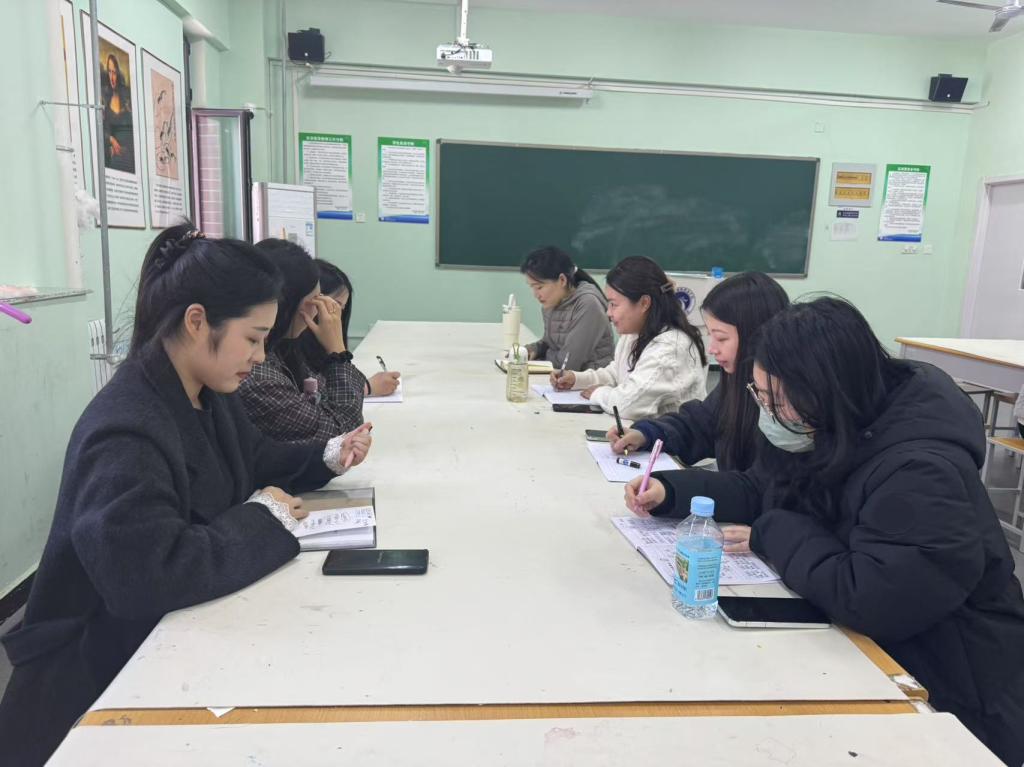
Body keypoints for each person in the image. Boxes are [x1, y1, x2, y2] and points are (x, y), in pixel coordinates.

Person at [0, 225, 373, 766]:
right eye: (253, 338)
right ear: (198, 322)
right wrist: (263, 518)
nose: (261, 355)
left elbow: (255, 458)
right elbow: (147, 575)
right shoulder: (126, 430)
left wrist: (327, 455)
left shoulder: (202, 390)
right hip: (96, 684)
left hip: (165, 638)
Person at [626, 297, 1024, 766]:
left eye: (776, 399)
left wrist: (771, 532)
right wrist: (672, 491)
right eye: (760, 395)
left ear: (825, 391)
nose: (767, 411)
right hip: (872, 654)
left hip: (954, 692)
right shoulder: (825, 425)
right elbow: (762, 488)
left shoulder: (922, 470)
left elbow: (873, 599)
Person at [608, 272, 789, 470]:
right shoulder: (737, 380)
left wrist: (674, 484)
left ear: (754, 335)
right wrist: (646, 434)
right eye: (711, 336)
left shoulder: (784, 400)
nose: (712, 349)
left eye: (721, 338)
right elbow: (700, 425)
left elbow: (757, 482)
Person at [238, 240, 368, 443]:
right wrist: (338, 352)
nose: (321, 313)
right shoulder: (258, 375)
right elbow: (342, 435)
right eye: (316, 301)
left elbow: (322, 397)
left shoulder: (283, 349)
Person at [551, 256, 707, 419]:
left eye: (614, 304)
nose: (608, 313)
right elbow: (617, 374)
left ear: (644, 303)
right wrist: (577, 379)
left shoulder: (669, 348)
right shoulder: (636, 332)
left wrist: (598, 393)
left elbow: (628, 405)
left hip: (669, 435)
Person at [298, 259, 400, 397]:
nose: (337, 316)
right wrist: (367, 387)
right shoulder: (293, 350)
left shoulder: (318, 348)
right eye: (335, 305)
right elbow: (320, 396)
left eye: (342, 308)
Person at [521, 246, 614, 370]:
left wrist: (543, 357)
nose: (535, 294)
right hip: (565, 376)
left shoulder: (588, 304)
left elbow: (569, 362)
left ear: (562, 280)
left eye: (539, 287)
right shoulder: (553, 302)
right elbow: (551, 342)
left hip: (590, 378)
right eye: (532, 287)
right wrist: (535, 349)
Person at [101, 53, 134, 174]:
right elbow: (100, 129)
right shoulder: (105, 97)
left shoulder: (128, 95)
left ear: (118, 73)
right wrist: (111, 139)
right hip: (113, 159)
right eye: (109, 72)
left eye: (114, 72)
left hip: (130, 156)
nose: (111, 77)